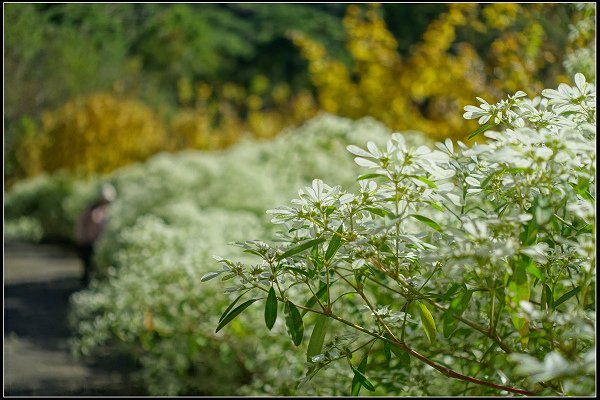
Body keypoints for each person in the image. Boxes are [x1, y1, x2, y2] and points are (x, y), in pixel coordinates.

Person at [75, 183, 116, 285]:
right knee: (88, 262)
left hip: (102, 243)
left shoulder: (111, 210)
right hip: (88, 241)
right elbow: (81, 223)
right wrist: (81, 237)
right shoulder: (91, 209)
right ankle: (87, 281)